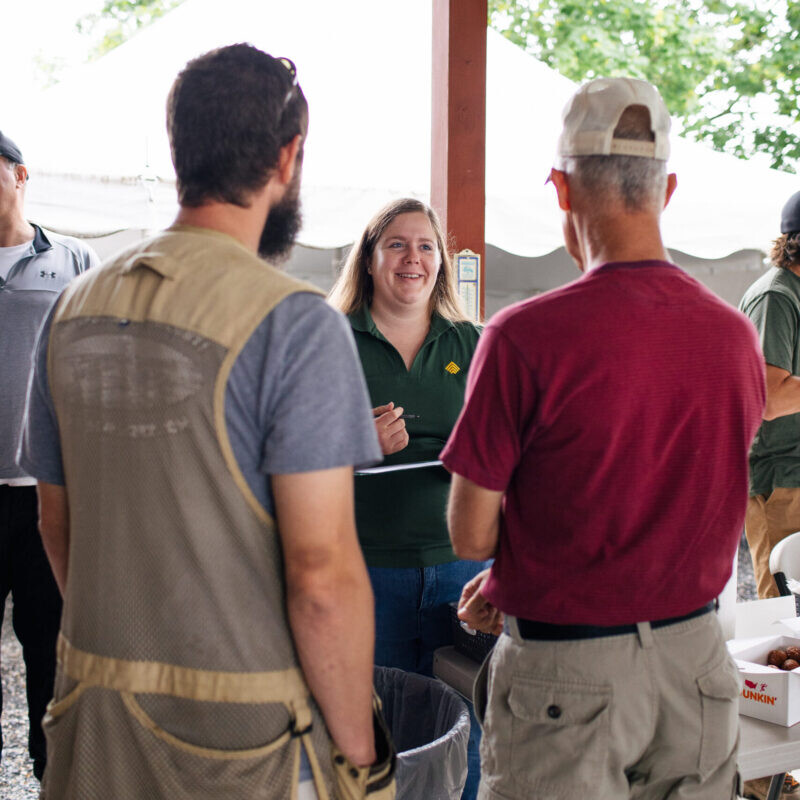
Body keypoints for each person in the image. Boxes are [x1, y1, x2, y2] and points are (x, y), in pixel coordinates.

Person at [18, 44, 394, 800]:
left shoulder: (71, 310)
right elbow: (320, 577)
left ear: (179, 148)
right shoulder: (294, 324)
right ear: (288, 158)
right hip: (241, 738)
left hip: (94, 717)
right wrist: (362, 759)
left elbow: (56, 521)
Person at [441, 77, 765, 800]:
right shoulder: (734, 336)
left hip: (568, 671)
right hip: (698, 663)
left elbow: (469, 532)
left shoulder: (523, 336)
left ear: (561, 187)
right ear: (668, 188)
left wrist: (514, 574)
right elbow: (680, 500)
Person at [328, 197, 485, 797]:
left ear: (441, 263)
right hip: (366, 571)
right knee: (371, 728)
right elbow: (279, 456)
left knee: (465, 729)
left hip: (462, 571)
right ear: (368, 260)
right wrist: (353, 442)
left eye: (425, 246)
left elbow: (515, 453)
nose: (412, 258)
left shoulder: (471, 344)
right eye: (396, 244)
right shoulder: (329, 338)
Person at [0, 130, 97, 782]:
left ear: (20, 174)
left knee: (51, 647)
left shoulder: (76, 261)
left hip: (48, 494)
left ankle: (52, 775)